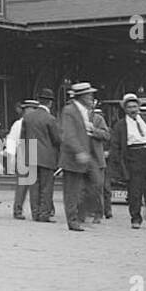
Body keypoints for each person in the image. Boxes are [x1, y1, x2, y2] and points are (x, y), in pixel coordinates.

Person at [109, 95, 146, 228]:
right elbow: (115, 146)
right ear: (125, 109)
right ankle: (136, 219)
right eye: (129, 107)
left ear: (139, 107)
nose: (133, 109)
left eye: (135, 106)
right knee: (135, 191)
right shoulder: (120, 126)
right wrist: (117, 164)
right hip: (133, 159)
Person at [59, 82, 100, 232]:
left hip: (86, 154)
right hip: (74, 156)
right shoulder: (69, 110)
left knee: (96, 182)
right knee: (72, 191)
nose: (91, 98)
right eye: (89, 95)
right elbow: (68, 135)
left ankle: (82, 214)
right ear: (81, 96)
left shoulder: (85, 111)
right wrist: (79, 151)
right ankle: (73, 220)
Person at [21, 94, 61, 222]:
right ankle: (44, 214)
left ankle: (35, 213)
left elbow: (23, 138)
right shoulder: (50, 119)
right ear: (50, 103)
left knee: (34, 187)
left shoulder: (27, 118)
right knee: (46, 187)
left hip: (31, 155)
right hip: (46, 156)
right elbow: (57, 139)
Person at [5, 100, 42, 220]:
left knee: (33, 185)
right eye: (31, 109)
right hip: (23, 152)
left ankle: (33, 211)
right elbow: (11, 140)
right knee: (23, 185)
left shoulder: (31, 123)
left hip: (33, 153)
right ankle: (19, 210)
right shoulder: (18, 124)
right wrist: (11, 159)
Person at [82, 107, 112, 223]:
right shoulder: (74, 119)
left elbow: (106, 135)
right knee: (82, 188)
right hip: (81, 158)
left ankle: (98, 213)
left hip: (96, 159)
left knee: (97, 188)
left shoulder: (98, 119)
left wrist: (93, 130)